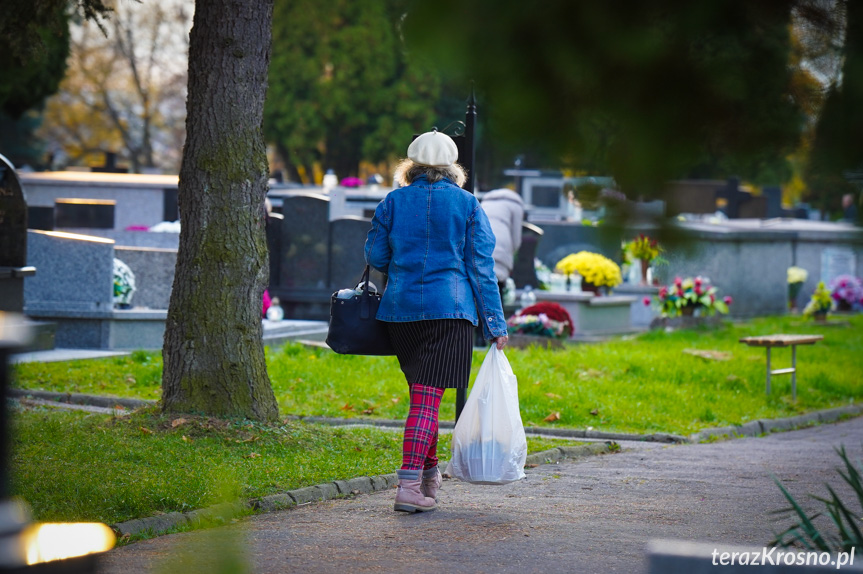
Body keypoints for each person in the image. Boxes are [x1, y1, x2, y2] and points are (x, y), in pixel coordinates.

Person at [365, 130, 509, 514]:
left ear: (410, 166)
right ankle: (409, 485)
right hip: (452, 311)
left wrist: (404, 265)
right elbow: (480, 267)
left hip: (401, 312)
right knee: (427, 400)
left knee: (423, 397)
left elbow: (376, 254)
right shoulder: (467, 204)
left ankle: (429, 475)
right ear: (452, 168)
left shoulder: (392, 202)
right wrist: (495, 323)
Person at [481, 187, 525, 298]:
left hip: (482, 247)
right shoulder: (516, 205)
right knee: (497, 292)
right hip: (501, 251)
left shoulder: (485, 202)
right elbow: (516, 239)